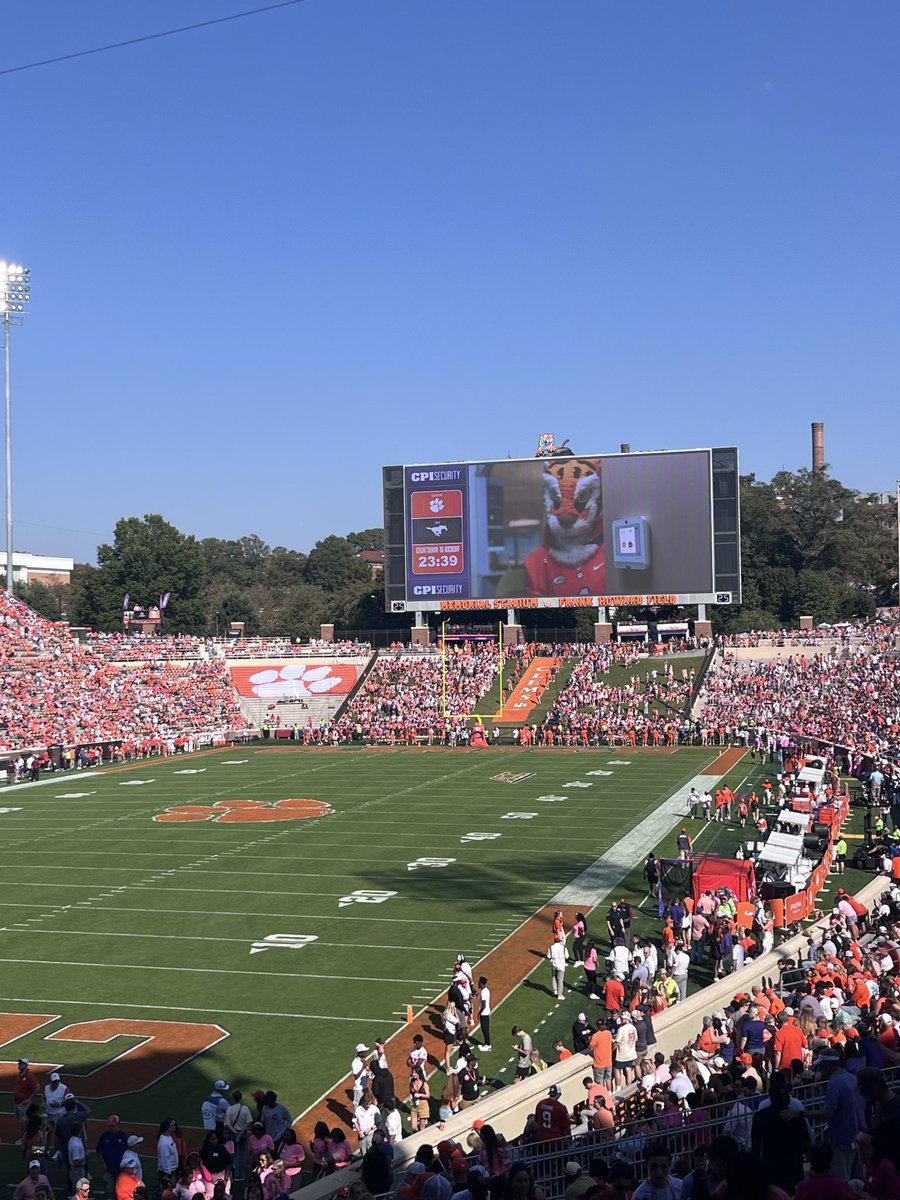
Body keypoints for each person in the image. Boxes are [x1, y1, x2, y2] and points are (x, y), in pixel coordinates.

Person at [96, 1116, 128, 1198]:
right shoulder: (104, 1136)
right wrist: (103, 1163)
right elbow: (99, 1151)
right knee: (108, 1192)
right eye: (109, 1125)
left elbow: (127, 1152)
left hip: (120, 1169)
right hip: (108, 1170)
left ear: (117, 1125)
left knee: (120, 1192)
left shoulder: (123, 1136)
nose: (111, 1128)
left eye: (112, 1126)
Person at [224, 1091, 252, 1182]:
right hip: (243, 1134)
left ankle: (235, 1175)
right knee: (242, 1154)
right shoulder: (245, 1108)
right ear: (241, 1097)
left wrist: (235, 1132)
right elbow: (249, 1122)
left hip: (233, 1133)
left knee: (234, 1154)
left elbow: (227, 1124)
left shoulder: (230, 1109)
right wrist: (240, 1133)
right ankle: (241, 1175)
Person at [477, 976, 492, 1050]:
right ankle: (486, 1043)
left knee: (485, 1029)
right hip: (485, 1012)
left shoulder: (484, 992)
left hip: (484, 1013)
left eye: (479, 982)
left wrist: (479, 1013)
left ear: (481, 983)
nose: (478, 983)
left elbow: (483, 1004)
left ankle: (488, 1045)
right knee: (484, 1028)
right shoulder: (486, 990)